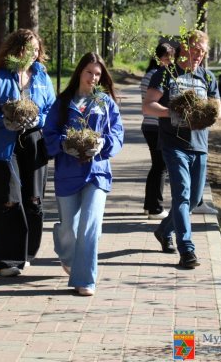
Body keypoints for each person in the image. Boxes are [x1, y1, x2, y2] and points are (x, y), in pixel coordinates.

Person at [43, 52, 124, 296]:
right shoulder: (63, 102)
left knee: (90, 225)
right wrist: (64, 143)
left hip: (96, 172)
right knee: (69, 229)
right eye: (89, 72)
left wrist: (103, 145)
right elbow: (49, 135)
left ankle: (85, 280)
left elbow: (117, 135)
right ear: (80, 72)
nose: (93, 78)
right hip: (68, 174)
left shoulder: (105, 102)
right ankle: (67, 254)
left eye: (98, 74)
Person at [143, 30, 221, 269]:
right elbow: (148, 106)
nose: (199, 55)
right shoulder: (166, 74)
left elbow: (219, 109)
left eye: (203, 51)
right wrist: (173, 112)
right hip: (173, 143)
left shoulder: (207, 77)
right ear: (184, 48)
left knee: (195, 198)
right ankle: (187, 249)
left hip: (200, 144)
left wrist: (211, 112)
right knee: (182, 195)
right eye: (195, 49)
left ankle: (163, 230)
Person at [0, 29, 56, 277]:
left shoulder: (42, 78)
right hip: (4, 147)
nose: (33, 54)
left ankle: (26, 253)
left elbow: (52, 111)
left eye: (36, 49)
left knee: (34, 199)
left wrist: (38, 120)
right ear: (15, 50)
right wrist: (5, 120)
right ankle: (6, 260)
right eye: (28, 49)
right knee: (9, 200)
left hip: (34, 143)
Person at [140, 43, 175, 220]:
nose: (170, 62)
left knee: (157, 166)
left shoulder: (151, 74)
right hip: (155, 125)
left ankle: (150, 204)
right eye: (167, 58)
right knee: (160, 166)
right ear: (158, 58)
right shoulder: (157, 76)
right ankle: (155, 207)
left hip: (151, 125)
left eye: (172, 58)